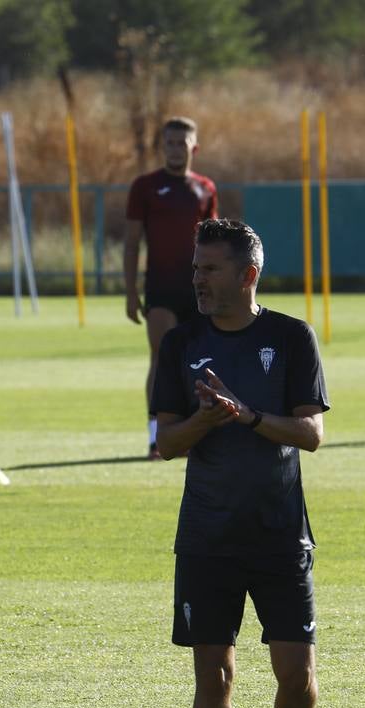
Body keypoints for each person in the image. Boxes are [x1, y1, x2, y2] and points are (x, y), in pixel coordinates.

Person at [152, 219, 329, 708]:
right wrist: (204, 419)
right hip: (207, 536)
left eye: (211, 269)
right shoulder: (180, 343)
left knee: (296, 680)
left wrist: (246, 415)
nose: (197, 278)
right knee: (214, 678)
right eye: (195, 268)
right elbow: (164, 444)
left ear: (248, 274)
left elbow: (311, 434)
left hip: (280, 534)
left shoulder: (290, 337)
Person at [124, 116, 219, 460]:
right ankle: (156, 438)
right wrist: (131, 291)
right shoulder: (145, 187)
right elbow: (133, 242)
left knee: (201, 361)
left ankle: (196, 435)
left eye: (182, 143)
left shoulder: (205, 188)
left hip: (199, 290)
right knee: (163, 356)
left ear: (194, 147)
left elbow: (213, 244)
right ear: (162, 146)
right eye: (170, 143)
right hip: (160, 289)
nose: (176, 149)